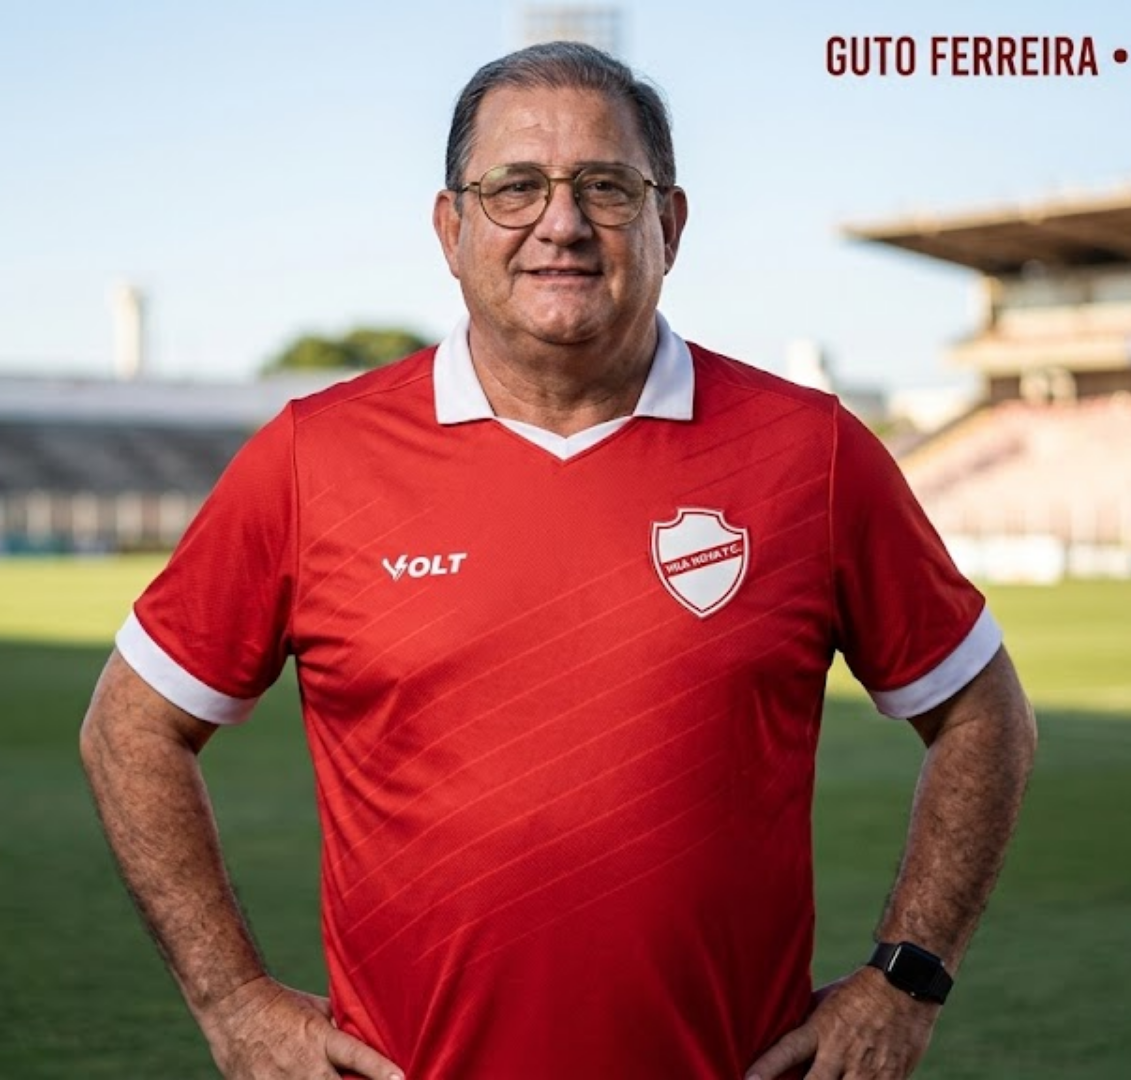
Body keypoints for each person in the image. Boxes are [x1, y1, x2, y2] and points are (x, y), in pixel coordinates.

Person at [80, 41, 1037, 1080]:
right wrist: (231, 1001)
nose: (563, 223)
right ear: (451, 228)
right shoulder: (315, 458)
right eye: (515, 187)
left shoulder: (810, 452)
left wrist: (907, 979)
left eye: (607, 187)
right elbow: (131, 726)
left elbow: (983, 713)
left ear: (671, 224)